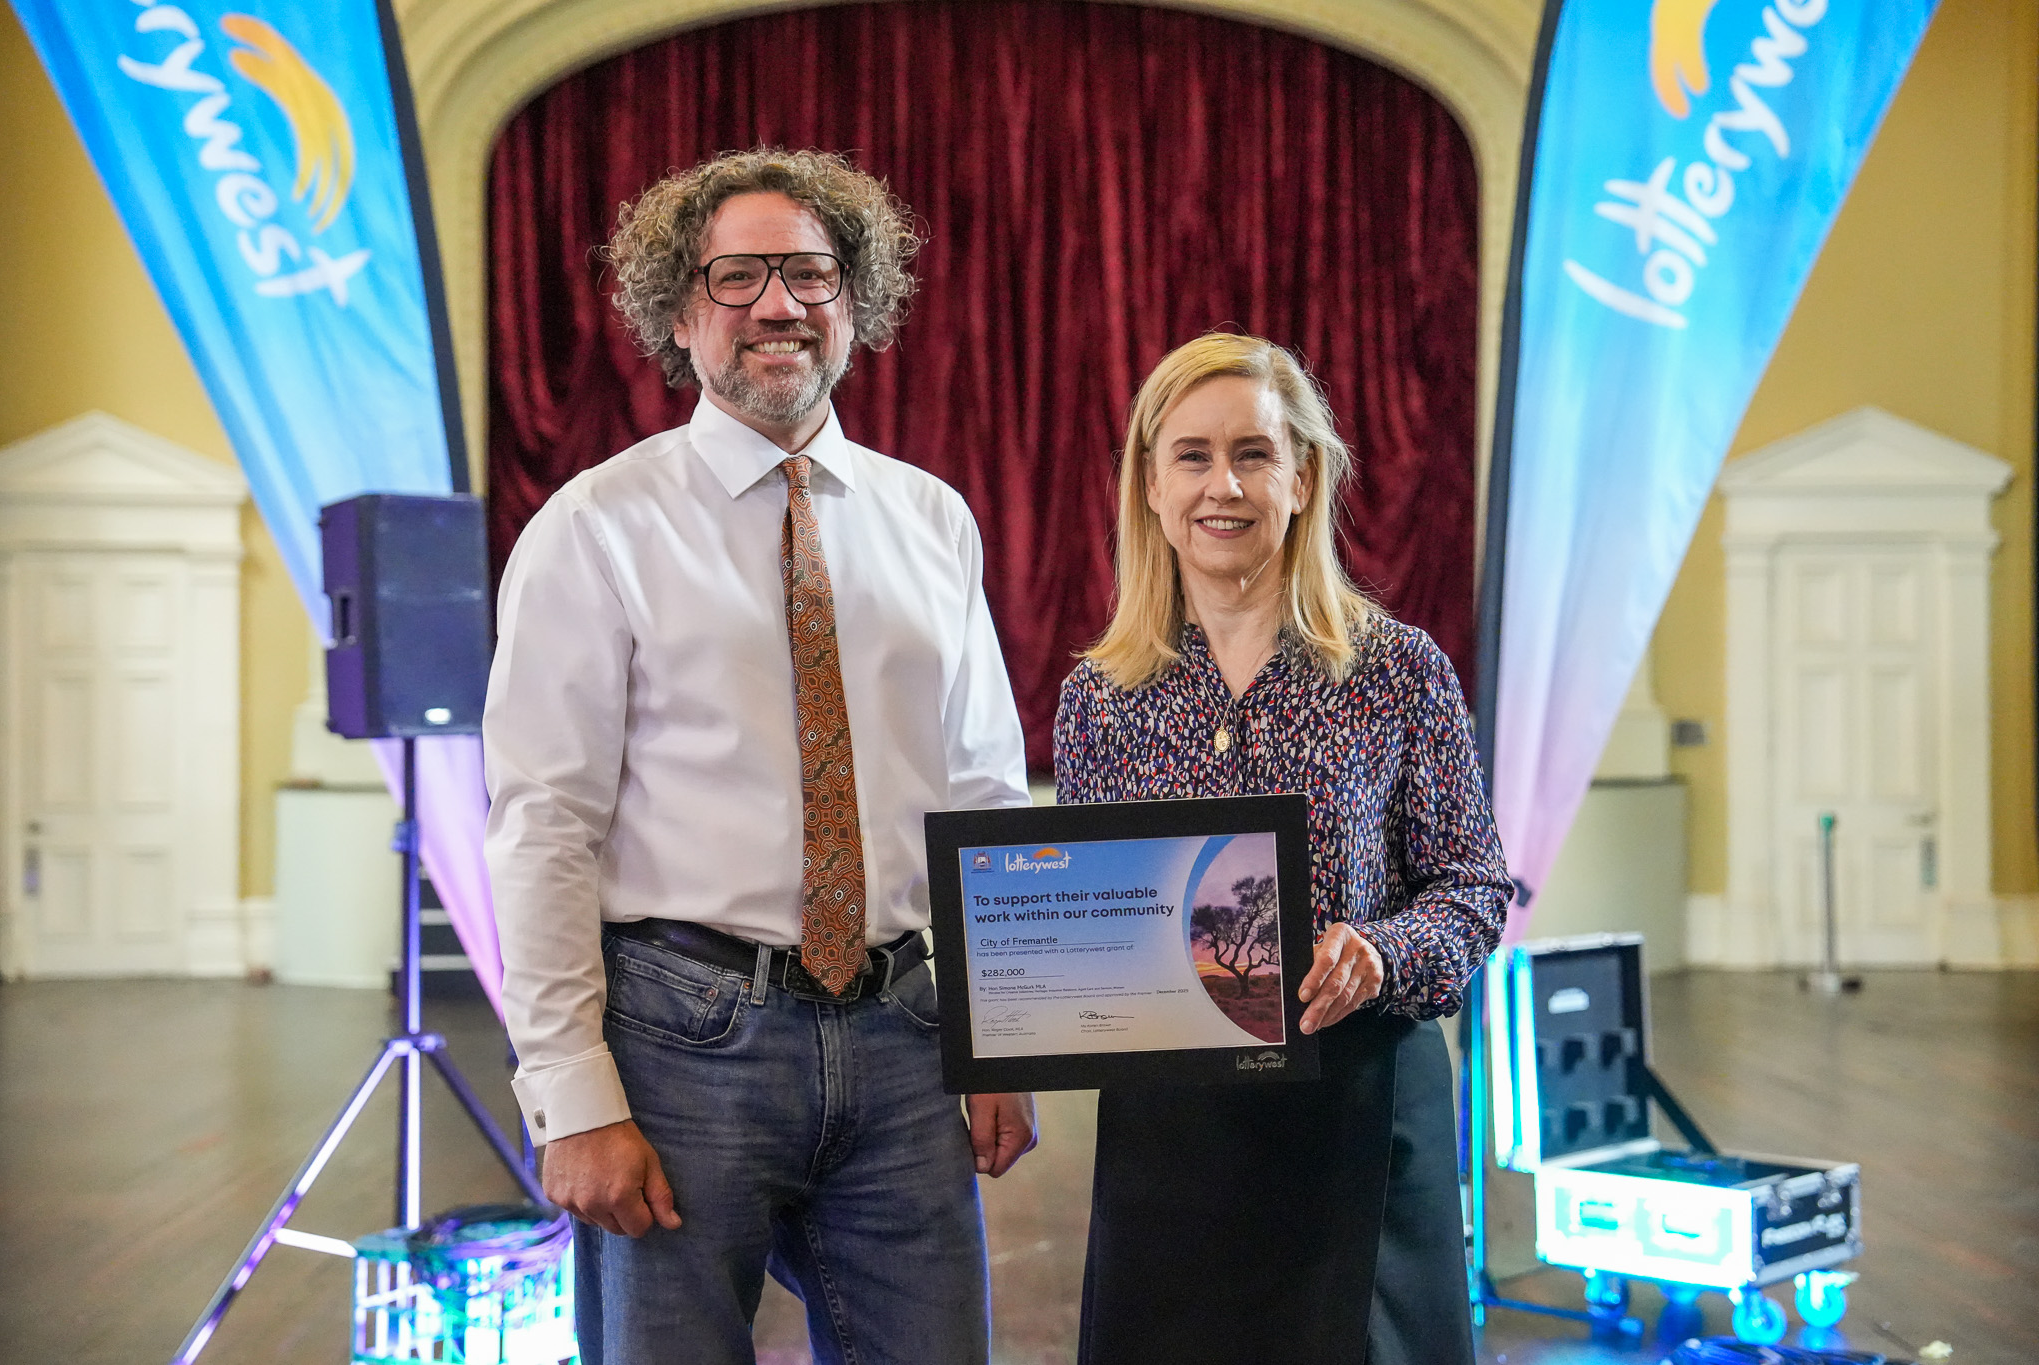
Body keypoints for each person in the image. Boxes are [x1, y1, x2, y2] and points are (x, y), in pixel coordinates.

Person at [484, 147, 1038, 1365]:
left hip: (907, 1041)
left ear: (855, 303)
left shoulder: (931, 518)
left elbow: (986, 797)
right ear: (679, 314)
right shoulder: (595, 527)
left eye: (810, 274)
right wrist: (571, 1096)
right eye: (735, 277)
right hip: (680, 1047)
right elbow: (544, 825)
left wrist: (1003, 1036)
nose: (778, 304)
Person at [1053, 332, 1509, 1365]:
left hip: (1360, 1111)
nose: (1223, 484)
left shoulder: (1399, 671)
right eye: (1193, 455)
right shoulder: (1099, 698)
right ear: (1151, 486)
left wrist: (1383, 950)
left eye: (1253, 454)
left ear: (1302, 479)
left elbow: (1474, 886)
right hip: (1174, 1137)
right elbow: (1095, 925)